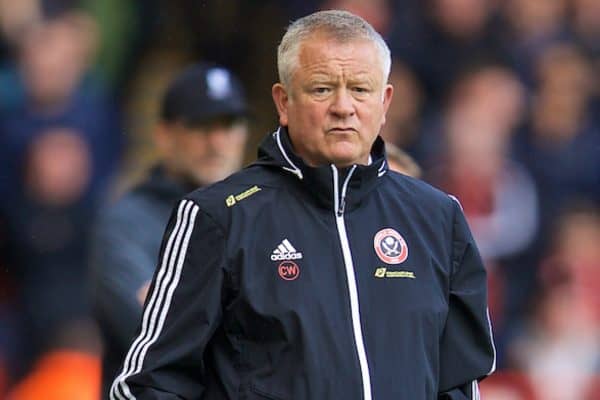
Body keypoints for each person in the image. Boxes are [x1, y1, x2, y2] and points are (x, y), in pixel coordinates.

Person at [110, 10, 495, 400]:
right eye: (322, 89)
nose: (344, 107)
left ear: (385, 102)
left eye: (360, 90)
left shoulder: (438, 219)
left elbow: (459, 385)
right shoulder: (218, 217)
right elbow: (148, 384)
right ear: (283, 101)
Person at [90, 63, 249, 398]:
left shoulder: (258, 213)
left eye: (229, 124)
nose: (216, 141)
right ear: (164, 135)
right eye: (200, 125)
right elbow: (156, 331)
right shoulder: (126, 222)